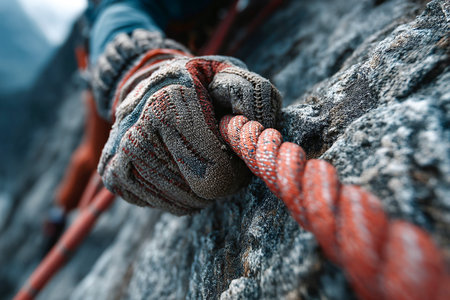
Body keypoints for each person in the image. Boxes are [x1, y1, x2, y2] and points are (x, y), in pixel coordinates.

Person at [44, 0, 282, 244]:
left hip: (178, 30)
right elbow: (118, 13)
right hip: (106, 49)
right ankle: (58, 213)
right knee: (91, 157)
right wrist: (137, 67)